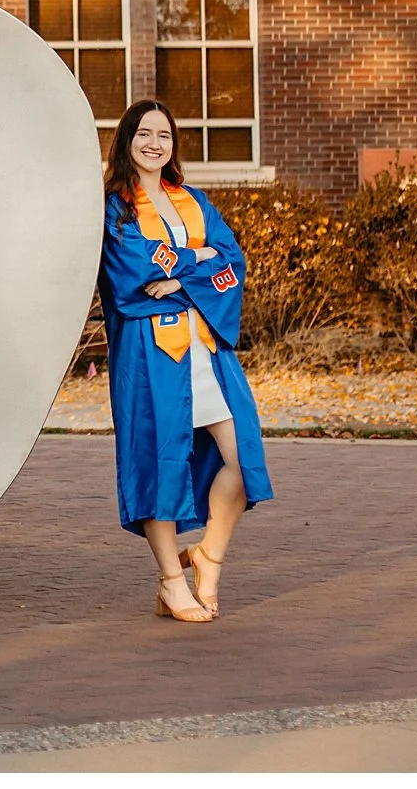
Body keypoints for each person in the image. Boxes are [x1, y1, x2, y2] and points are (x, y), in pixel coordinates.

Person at [98, 99, 273, 623]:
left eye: (165, 136)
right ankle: (171, 583)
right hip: (151, 354)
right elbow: (133, 275)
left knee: (242, 459)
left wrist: (180, 276)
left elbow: (232, 262)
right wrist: (197, 263)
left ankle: (207, 559)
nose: (155, 143)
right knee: (159, 462)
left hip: (206, 352)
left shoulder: (193, 200)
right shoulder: (114, 207)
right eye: (144, 134)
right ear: (127, 141)